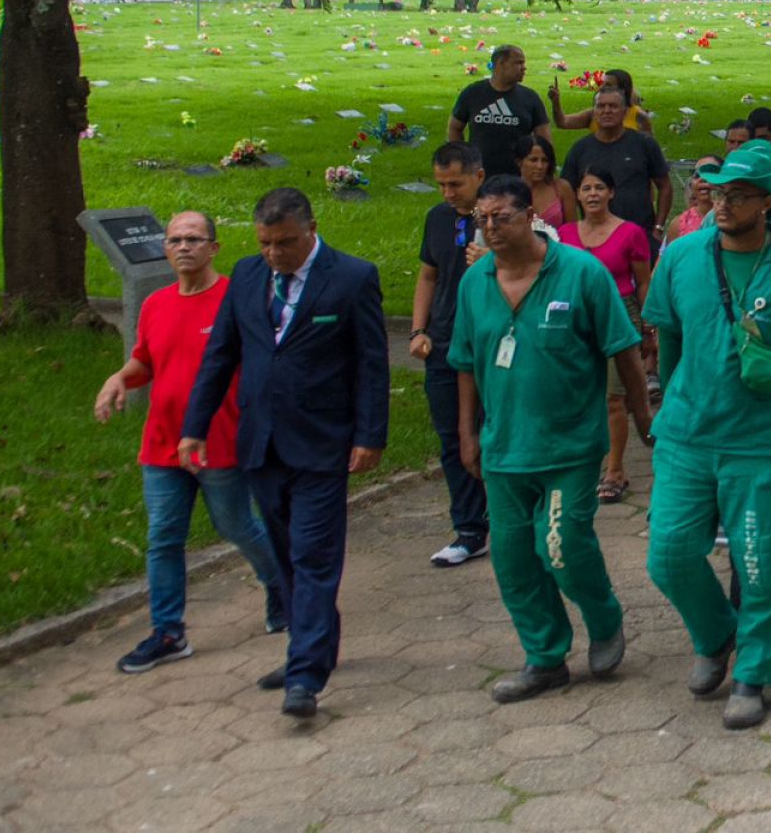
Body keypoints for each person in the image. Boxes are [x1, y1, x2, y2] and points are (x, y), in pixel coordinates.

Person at [644, 147, 771, 730]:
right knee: (669, 554)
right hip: (689, 433)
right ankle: (716, 636)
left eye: (737, 195)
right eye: (715, 192)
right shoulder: (682, 257)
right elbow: (669, 339)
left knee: (762, 562)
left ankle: (753, 673)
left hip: (766, 440)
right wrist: (671, 405)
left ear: (769, 202)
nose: (721, 203)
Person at [179, 188, 389, 718]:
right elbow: (221, 354)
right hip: (262, 441)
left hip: (323, 442)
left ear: (311, 229)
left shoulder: (351, 277)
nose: (276, 254)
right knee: (285, 553)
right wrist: (195, 427)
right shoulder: (247, 276)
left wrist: (370, 435)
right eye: (267, 243)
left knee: (313, 555)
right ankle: (314, 645)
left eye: (286, 243)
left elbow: (370, 363)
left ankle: (305, 675)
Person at [449, 175, 646, 702]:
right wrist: (467, 433)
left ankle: (603, 618)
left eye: (501, 217)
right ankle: (545, 657)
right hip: (505, 448)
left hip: (570, 445)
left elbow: (622, 349)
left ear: (530, 217)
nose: (489, 228)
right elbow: (465, 362)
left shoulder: (580, 274)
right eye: (481, 219)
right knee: (513, 559)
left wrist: (643, 414)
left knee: (559, 546)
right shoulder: (474, 283)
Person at [95, 211, 285, 674]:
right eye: (175, 240)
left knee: (236, 526)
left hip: (218, 441)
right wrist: (119, 379)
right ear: (165, 249)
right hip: (161, 443)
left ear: (213, 248)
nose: (183, 247)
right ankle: (168, 632)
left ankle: (280, 585)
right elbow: (146, 362)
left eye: (194, 239)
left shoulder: (235, 299)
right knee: (162, 537)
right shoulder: (156, 305)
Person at [409, 143, 492, 568]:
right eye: (440, 184)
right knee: (452, 439)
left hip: (493, 344)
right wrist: (418, 329)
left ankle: (509, 515)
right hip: (443, 341)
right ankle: (469, 528)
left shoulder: (501, 215)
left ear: (478, 175)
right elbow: (428, 274)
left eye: (455, 183)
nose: (447, 193)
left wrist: (495, 256)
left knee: (494, 430)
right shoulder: (437, 218)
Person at [558, 165, 655, 503]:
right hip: (577, 316)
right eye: (586, 188)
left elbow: (643, 281)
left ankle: (615, 470)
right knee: (581, 395)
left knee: (615, 397)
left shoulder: (629, 233)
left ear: (612, 193)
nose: (593, 194)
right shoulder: (565, 235)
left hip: (622, 312)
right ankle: (583, 464)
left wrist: (648, 325)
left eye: (600, 187)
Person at [560, 86, 673, 240]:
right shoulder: (580, 149)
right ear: (594, 111)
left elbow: (665, 185)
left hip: (641, 235)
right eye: (601, 106)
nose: (607, 111)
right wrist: (574, 233)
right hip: (595, 239)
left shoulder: (644, 144)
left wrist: (658, 228)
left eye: (613, 106)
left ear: (625, 111)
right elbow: (566, 192)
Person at [448, 45, 550, 178]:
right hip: (479, 176)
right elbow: (455, 127)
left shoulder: (530, 98)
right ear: (501, 64)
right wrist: (460, 158)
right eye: (518, 63)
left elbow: (545, 141)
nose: (524, 67)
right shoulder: (473, 93)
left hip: (517, 177)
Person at [515, 134, 576, 228]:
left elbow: (571, 229)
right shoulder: (510, 191)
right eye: (533, 160)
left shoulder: (562, 188)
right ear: (519, 162)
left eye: (544, 160)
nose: (540, 166)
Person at [667, 156, 720, 246]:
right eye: (697, 175)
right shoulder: (678, 224)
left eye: (710, 173)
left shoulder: (732, 220)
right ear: (691, 184)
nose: (702, 179)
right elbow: (672, 258)